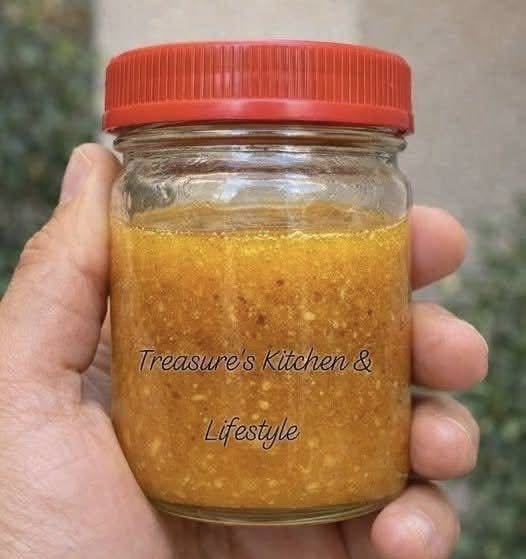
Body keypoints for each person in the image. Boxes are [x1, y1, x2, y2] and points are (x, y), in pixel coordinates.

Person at [0, 144, 488, 559]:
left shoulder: (379, 188)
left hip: (340, 480)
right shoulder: (138, 190)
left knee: (440, 397)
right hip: (147, 500)